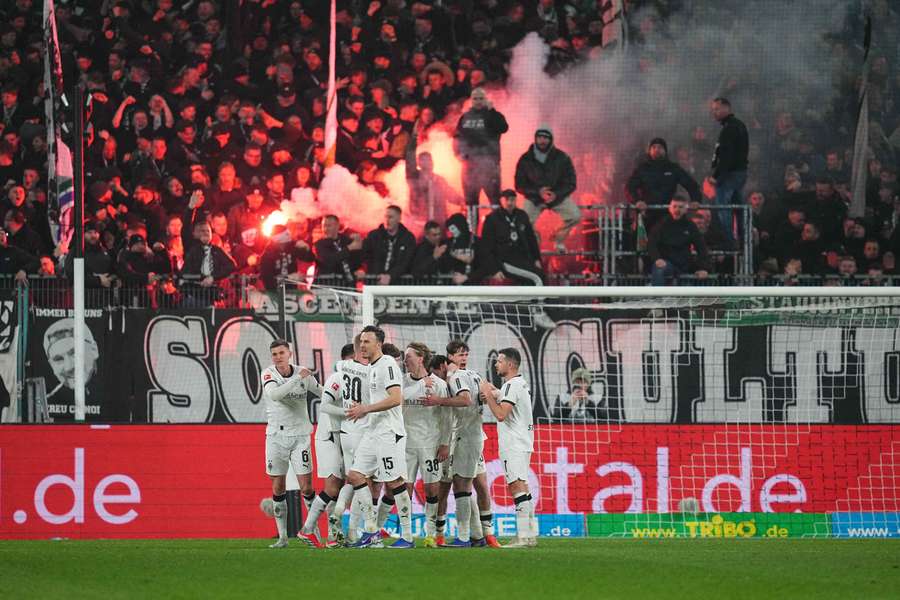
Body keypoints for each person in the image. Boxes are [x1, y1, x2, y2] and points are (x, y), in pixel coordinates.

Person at [345, 325, 415, 549]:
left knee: (394, 482)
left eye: (367, 341)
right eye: (361, 341)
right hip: (373, 431)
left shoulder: (388, 365)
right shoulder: (372, 368)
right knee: (355, 475)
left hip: (389, 432)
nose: (362, 345)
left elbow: (396, 398)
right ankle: (372, 531)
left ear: (379, 344)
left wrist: (366, 408)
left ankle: (407, 536)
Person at [423, 340, 495, 548]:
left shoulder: (456, 377)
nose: (464, 357)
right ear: (451, 356)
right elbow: (492, 390)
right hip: (469, 435)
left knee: (463, 486)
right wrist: (488, 394)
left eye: (465, 354)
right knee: (466, 485)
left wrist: (438, 400)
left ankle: (464, 537)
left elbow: (464, 400)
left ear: (444, 364)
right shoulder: (474, 375)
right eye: (460, 354)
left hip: (465, 436)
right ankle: (477, 534)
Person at [261, 338, 322, 549]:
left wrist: (343, 398)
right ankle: (283, 537)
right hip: (276, 437)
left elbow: (322, 392)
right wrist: (297, 379)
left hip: (301, 437)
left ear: (290, 353)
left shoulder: (303, 372)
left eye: (281, 353)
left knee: (307, 487)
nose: (278, 357)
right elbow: (275, 395)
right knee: (278, 487)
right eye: (275, 354)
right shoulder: (268, 374)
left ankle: (314, 534)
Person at [297, 343, 356, 549]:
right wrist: (349, 412)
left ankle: (333, 535)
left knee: (346, 484)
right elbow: (325, 404)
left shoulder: (359, 378)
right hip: (329, 436)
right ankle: (306, 530)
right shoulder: (338, 378)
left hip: (345, 436)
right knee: (332, 487)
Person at [479, 347, 537, 548]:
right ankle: (529, 535)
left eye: (499, 361)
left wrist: (487, 394)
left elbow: (501, 414)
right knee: (523, 485)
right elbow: (501, 397)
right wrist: (493, 393)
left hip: (514, 443)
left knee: (516, 485)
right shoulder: (517, 384)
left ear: (510, 365)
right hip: (522, 441)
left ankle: (523, 537)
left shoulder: (512, 385)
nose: (496, 364)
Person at [401, 342, 450, 547]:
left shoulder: (438, 384)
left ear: (421, 358)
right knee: (404, 490)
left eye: (409, 357)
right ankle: (406, 535)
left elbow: (447, 416)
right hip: (405, 444)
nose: (405, 361)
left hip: (430, 443)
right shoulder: (401, 382)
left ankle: (430, 534)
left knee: (432, 490)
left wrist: (445, 443)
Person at [514, 125, 581, 252]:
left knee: (575, 215)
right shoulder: (525, 159)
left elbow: (571, 182)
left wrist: (556, 194)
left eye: (546, 137)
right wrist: (538, 192)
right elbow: (519, 184)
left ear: (551, 140)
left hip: (556, 197)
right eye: (539, 137)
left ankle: (558, 239)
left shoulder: (562, 157)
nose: (542, 140)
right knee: (523, 223)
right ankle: (535, 243)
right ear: (535, 138)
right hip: (534, 198)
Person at [454, 88, 509, 232]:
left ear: (485, 99)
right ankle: (472, 235)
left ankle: (500, 233)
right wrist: (458, 154)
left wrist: (492, 111)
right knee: (471, 205)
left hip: (489, 167)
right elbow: (457, 137)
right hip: (469, 168)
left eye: (480, 98)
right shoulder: (465, 117)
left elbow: (504, 128)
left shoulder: (492, 115)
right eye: (475, 99)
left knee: (495, 202)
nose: (478, 101)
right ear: (471, 101)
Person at [626, 137, 702, 232]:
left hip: (669, 214)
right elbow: (629, 187)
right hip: (647, 214)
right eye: (654, 147)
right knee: (645, 245)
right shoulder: (642, 169)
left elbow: (691, 184)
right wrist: (637, 201)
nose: (657, 150)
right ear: (649, 151)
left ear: (665, 151)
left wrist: (696, 199)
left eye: (660, 147)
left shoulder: (673, 168)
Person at [41, 318, 102, 421]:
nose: (69, 367)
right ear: (51, 365)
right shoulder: (47, 404)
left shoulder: (117, 395)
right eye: (58, 359)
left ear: (94, 350)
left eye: (74, 353)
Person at [480, 189, 543, 285]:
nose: (509, 202)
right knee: (537, 277)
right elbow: (486, 248)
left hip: (523, 259)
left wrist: (536, 259)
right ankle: (541, 300)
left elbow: (531, 239)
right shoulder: (492, 219)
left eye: (512, 200)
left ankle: (532, 300)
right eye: (507, 199)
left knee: (537, 276)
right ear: (501, 200)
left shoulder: (522, 215)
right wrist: (494, 270)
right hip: (505, 261)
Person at [708, 97, 749, 238]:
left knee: (723, 207)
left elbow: (726, 157)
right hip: (738, 173)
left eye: (717, 109)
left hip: (730, 175)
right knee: (738, 206)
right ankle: (743, 239)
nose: (714, 112)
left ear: (727, 108)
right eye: (713, 110)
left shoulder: (730, 128)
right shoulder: (737, 125)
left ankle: (728, 240)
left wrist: (716, 176)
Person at [647, 197, 710, 286]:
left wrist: (703, 268)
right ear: (670, 208)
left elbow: (701, 247)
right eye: (675, 206)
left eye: (680, 207)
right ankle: (657, 298)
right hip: (666, 262)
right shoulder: (661, 224)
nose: (677, 210)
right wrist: (657, 259)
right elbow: (651, 243)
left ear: (685, 209)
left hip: (685, 264)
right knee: (659, 269)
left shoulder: (690, 226)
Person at [180, 220, 237, 307]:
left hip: (210, 299)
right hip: (192, 297)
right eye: (202, 231)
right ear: (195, 234)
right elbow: (185, 229)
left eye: (208, 231)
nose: (206, 233)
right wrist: (190, 209)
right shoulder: (191, 248)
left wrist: (213, 277)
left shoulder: (217, 250)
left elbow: (231, 265)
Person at [361, 205, 416, 285]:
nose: (387, 220)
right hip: (374, 283)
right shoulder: (374, 236)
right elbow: (365, 256)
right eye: (385, 217)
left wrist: (391, 276)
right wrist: (365, 270)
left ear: (399, 218)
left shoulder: (408, 238)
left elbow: (407, 262)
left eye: (390, 217)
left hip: (398, 284)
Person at [314, 214, 364, 284]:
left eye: (329, 226)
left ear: (337, 226)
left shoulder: (346, 240)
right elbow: (329, 260)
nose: (325, 229)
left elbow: (357, 261)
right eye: (324, 226)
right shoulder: (319, 244)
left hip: (346, 285)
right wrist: (349, 248)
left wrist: (360, 269)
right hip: (327, 286)